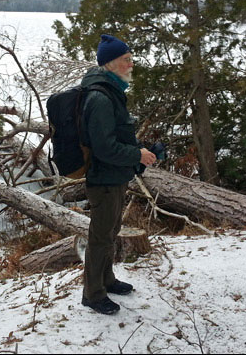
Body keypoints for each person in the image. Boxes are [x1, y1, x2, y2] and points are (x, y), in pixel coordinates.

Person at [79, 34, 156, 315]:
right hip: (104, 179)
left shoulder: (112, 91)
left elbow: (117, 136)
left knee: (110, 232)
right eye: (126, 59)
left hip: (115, 176)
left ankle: (107, 279)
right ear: (111, 64)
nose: (131, 63)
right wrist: (137, 155)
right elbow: (104, 147)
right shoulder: (100, 97)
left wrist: (138, 150)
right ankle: (93, 294)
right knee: (100, 236)